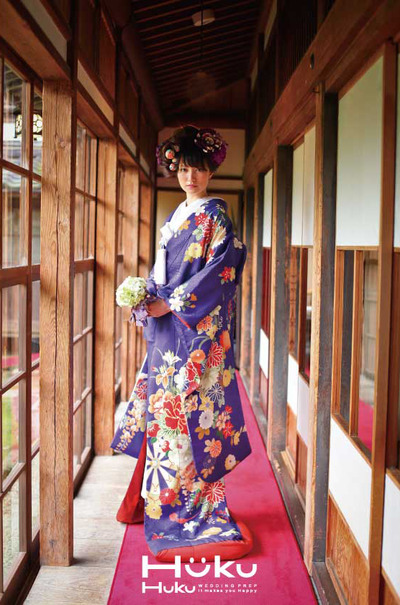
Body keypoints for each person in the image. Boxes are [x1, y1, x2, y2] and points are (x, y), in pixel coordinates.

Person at [110, 125, 252, 562]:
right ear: (176, 171)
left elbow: (219, 275)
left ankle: (190, 506)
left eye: (199, 169)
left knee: (189, 418)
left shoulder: (216, 218)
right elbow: (164, 271)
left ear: (211, 172)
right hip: (169, 333)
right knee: (163, 415)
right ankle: (162, 499)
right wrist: (145, 295)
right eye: (185, 169)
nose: (191, 177)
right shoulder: (176, 216)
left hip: (194, 335)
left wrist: (169, 303)